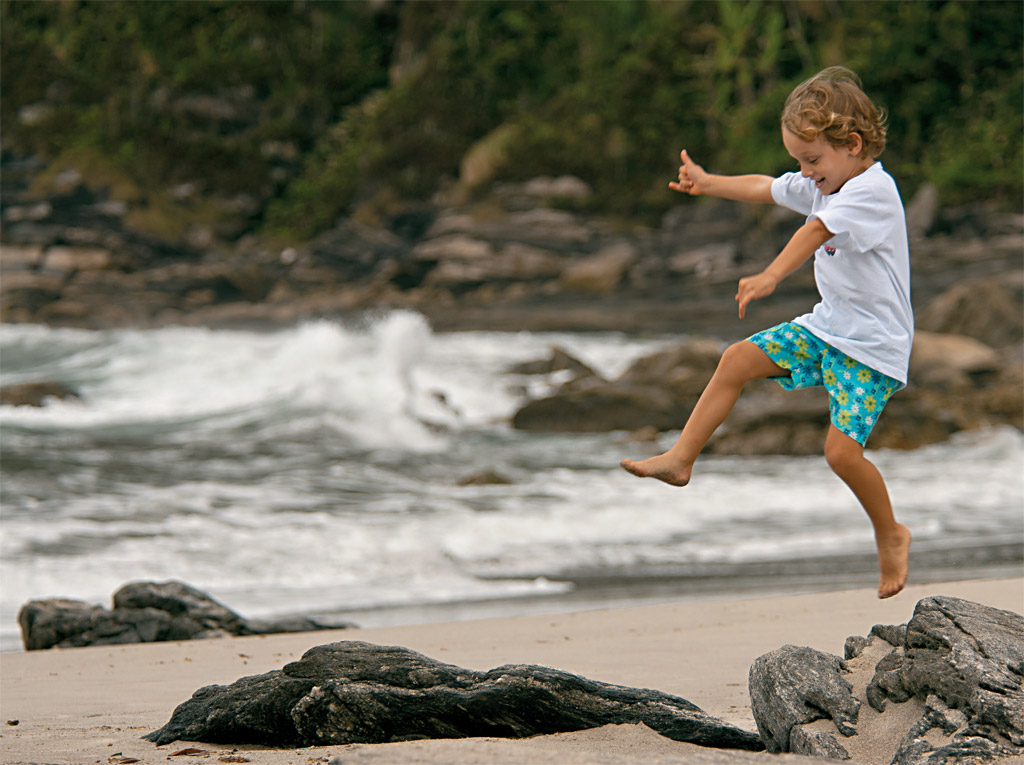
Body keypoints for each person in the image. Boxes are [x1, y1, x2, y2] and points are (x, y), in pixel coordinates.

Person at [620, 66, 913, 599]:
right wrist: (709, 184)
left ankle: (891, 532)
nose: (805, 173)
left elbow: (816, 229)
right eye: (801, 162)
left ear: (851, 143)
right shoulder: (830, 179)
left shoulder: (871, 191)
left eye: (812, 161)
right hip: (829, 327)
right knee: (735, 359)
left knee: (841, 456)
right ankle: (681, 458)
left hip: (872, 347)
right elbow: (768, 186)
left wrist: (771, 275)